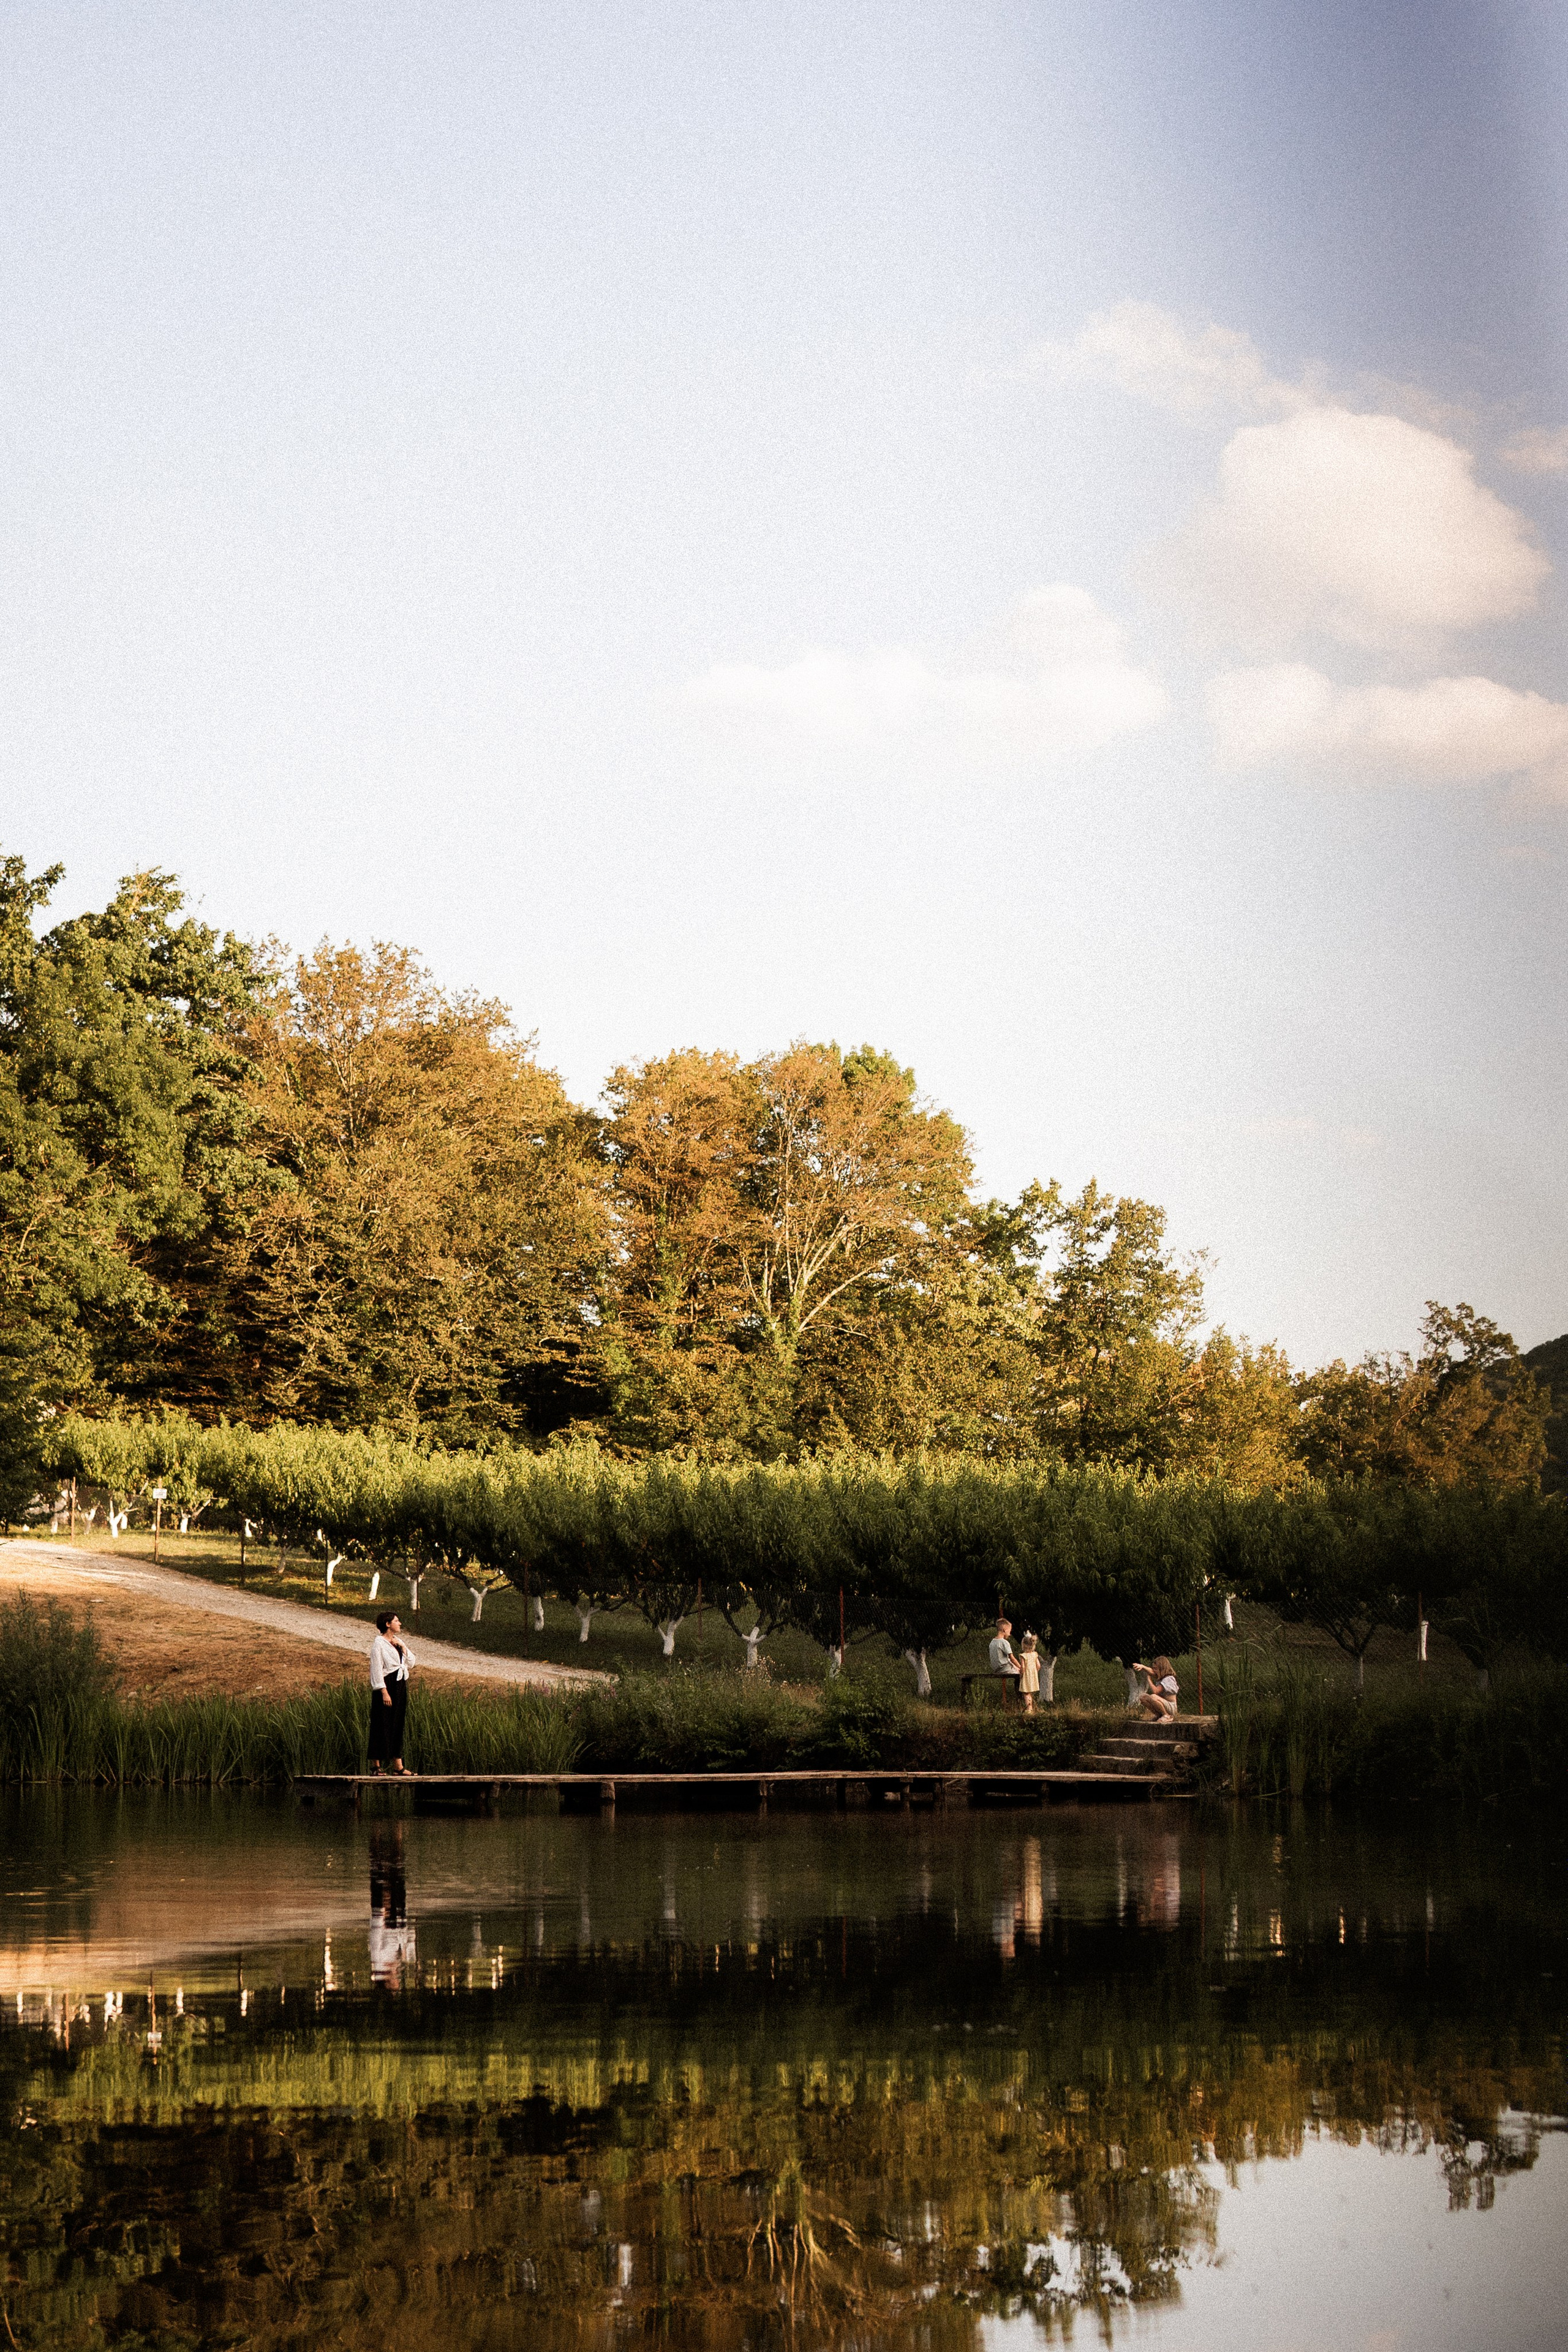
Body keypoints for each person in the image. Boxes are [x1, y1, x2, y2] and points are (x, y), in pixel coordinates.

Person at [368, 1610, 415, 1774]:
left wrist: (402, 1647)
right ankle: (376, 1766)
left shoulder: (397, 1641)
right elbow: (376, 1669)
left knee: (397, 1723)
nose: (400, 1623)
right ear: (388, 1624)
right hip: (386, 1686)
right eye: (397, 1621)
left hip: (400, 1684)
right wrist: (383, 1691)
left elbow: (412, 1662)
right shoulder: (379, 1644)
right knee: (381, 1723)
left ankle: (398, 1766)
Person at [1132, 1655, 1179, 1722]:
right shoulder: (1161, 1677)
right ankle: (1159, 1715)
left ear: (1162, 1668)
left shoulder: (1168, 1679)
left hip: (1171, 1707)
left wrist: (1149, 1680)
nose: (1154, 1671)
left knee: (1153, 1697)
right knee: (1143, 1697)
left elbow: (1156, 1691)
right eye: (1154, 1668)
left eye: (1156, 1669)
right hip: (1164, 1705)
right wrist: (1142, 1667)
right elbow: (1152, 1672)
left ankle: (1166, 1715)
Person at [989, 1618, 1021, 1698]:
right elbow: (1012, 1658)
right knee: (1022, 1674)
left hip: (996, 1669)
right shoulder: (1004, 1642)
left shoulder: (992, 1642)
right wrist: (1021, 1667)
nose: (1010, 1634)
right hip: (1005, 1668)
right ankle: (1020, 1697)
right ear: (1005, 1629)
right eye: (1009, 1631)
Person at [1017, 1630, 1041, 1715]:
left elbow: (1023, 1667)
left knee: (1026, 1693)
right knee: (1029, 1693)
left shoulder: (1023, 1656)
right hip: (1033, 1676)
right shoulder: (1035, 1654)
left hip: (1026, 1676)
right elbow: (1038, 1665)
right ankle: (1031, 1708)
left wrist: (1021, 1674)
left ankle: (1029, 1709)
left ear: (1023, 1645)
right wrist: (1035, 1672)